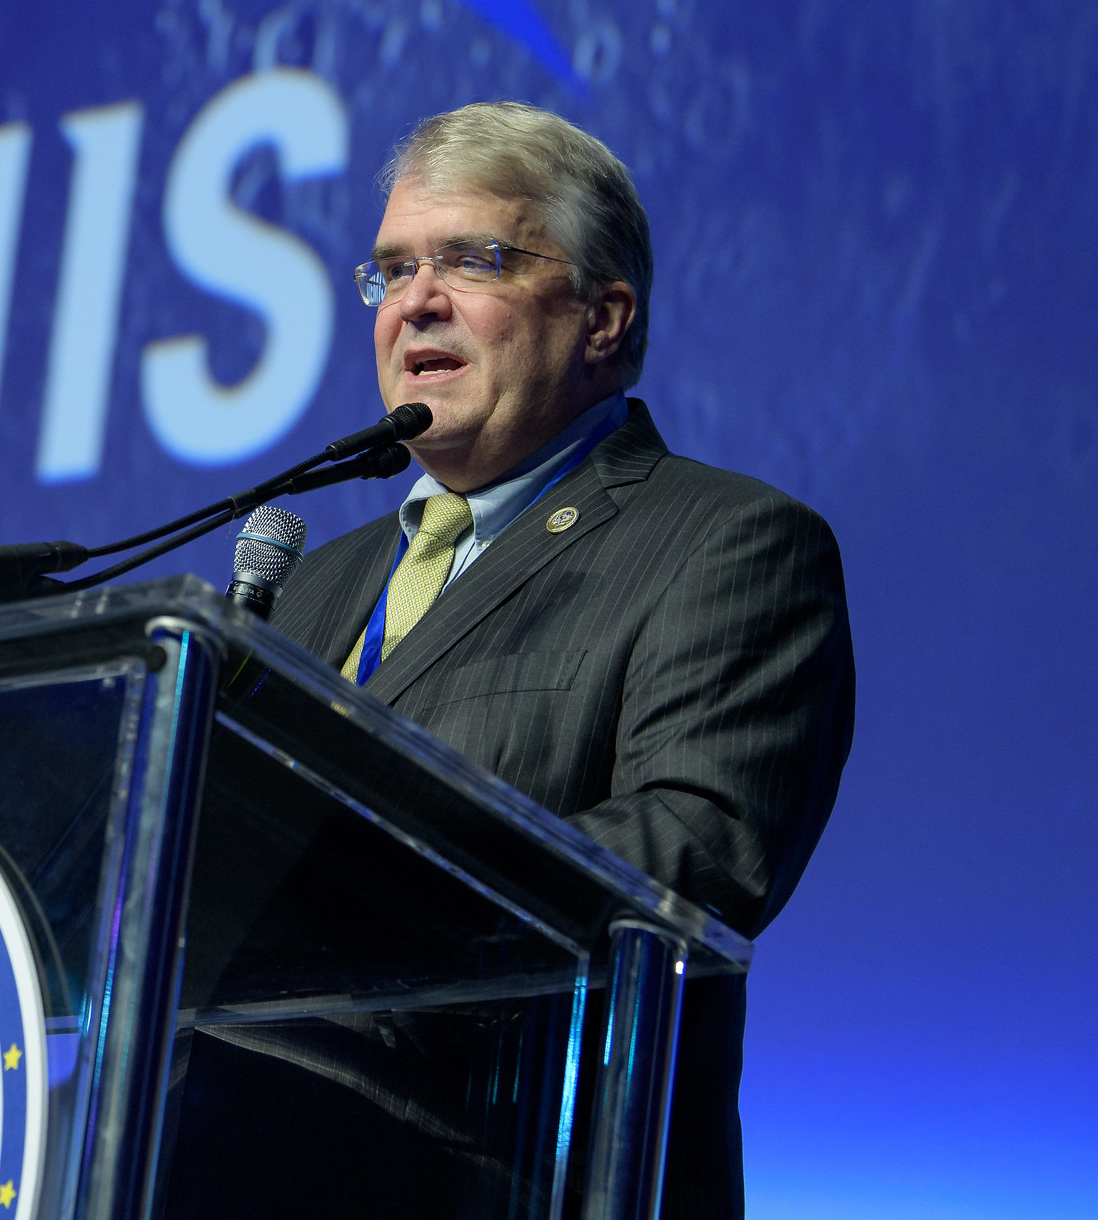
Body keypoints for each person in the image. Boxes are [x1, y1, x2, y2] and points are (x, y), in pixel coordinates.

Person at [267, 102, 856, 1216]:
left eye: (473, 259)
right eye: (391, 270)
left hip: (514, 1171)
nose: (416, 301)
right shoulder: (307, 582)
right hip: (226, 1144)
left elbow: (690, 856)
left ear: (602, 318)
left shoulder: (724, 544)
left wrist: (331, 890)